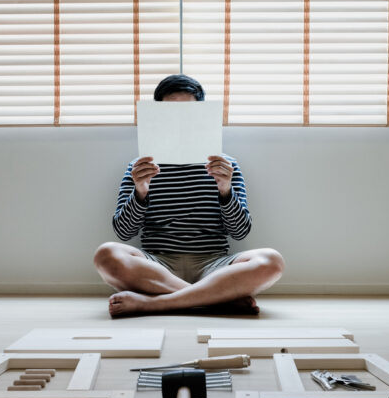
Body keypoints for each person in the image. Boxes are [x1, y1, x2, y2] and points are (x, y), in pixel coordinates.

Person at [94, 74, 284, 317]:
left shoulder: (225, 165)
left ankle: (155, 303)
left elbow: (239, 232)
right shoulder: (140, 166)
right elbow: (124, 232)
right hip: (157, 266)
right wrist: (140, 191)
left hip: (213, 265)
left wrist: (225, 189)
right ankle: (217, 300)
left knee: (271, 261)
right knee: (106, 254)